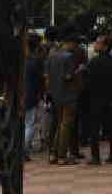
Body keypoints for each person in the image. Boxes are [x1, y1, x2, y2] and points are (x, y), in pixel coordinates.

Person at [46, 29, 84, 166]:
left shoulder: (51, 56)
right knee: (65, 126)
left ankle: (53, 154)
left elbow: (47, 77)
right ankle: (61, 156)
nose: (76, 48)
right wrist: (78, 71)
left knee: (59, 125)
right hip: (68, 95)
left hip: (56, 95)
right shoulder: (68, 57)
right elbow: (68, 76)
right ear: (70, 43)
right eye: (75, 45)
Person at [85, 35, 112, 165]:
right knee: (111, 127)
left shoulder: (93, 63)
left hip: (95, 98)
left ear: (105, 46)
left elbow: (87, 81)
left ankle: (96, 157)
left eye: (98, 43)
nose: (96, 45)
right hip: (111, 97)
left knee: (94, 128)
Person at [24, 33, 45, 160]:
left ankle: (21, 148)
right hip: (32, 94)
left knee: (24, 123)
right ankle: (24, 149)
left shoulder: (20, 60)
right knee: (30, 123)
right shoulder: (36, 60)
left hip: (19, 94)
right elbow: (40, 79)